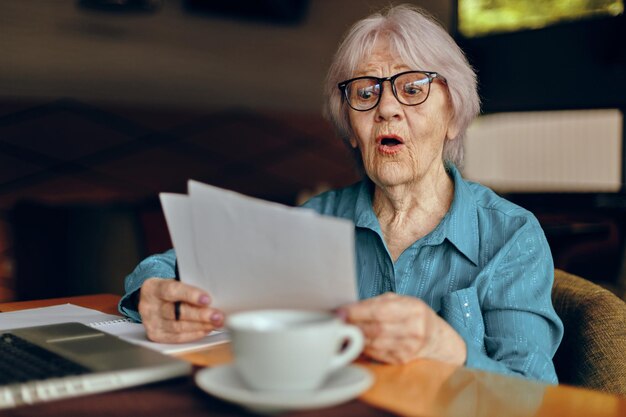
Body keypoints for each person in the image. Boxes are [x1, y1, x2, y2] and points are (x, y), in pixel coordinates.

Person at [119, 4, 563, 383]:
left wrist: (449, 351)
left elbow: (534, 394)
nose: (387, 108)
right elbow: (177, 263)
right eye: (365, 93)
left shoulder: (511, 237)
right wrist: (152, 294)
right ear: (352, 128)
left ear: (454, 115)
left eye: (412, 89)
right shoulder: (316, 220)